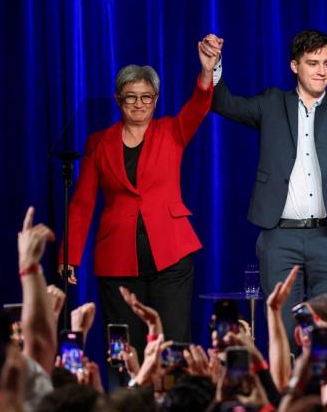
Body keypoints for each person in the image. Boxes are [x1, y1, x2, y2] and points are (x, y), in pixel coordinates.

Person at [199, 23, 327, 338]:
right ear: (294, 66)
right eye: (313, 63)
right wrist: (212, 67)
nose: (322, 71)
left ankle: (326, 389)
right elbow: (223, 103)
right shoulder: (271, 103)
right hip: (280, 239)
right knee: (284, 333)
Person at [59, 43, 216, 354]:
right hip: (118, 261)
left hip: (172, 258)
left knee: (172, 347)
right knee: (123, 348)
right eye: (131, 97)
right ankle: (125, 403)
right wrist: (69, 255)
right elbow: (82, 203)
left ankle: (172, 402)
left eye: (146, 97)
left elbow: (198, 106)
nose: (139, 104)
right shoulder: (98, 143)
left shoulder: (172, 131)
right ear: (119, 100)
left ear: (156, 100)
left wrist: (207, 71)